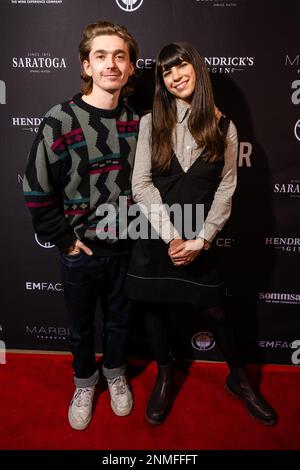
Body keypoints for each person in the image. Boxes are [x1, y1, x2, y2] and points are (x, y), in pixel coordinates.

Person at [126, 42, 277, 426]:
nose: (175, 75)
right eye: (166, 71)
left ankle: (239, 380)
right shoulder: (150, 123)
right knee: (155, 307)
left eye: (181, 66)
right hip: (156, 235)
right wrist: (172, 237)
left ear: (197, 68)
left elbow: (227, 188)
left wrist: (203, 240)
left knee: (217, 310)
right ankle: (164, 374)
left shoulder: (224, 126)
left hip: (199, 238)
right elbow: (141, 185)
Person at [23, 20, 139, 430]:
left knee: (121, 322)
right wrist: (66, 241)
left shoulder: (140, 123)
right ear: (86, 65)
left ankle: (115, 373)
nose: (111, 64)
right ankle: (85, 381)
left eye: (120, 56)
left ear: (130, 68)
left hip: (128, 249)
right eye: (101, 56)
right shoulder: (61, 118)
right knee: (79, 328)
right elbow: (36, 188)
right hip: (81, 252)